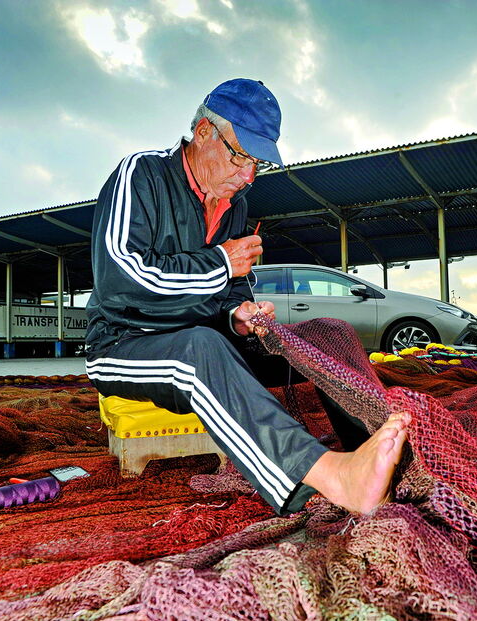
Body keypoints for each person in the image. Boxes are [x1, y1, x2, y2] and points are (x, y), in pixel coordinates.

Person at [84, 78, 409, 515]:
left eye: (257, 163)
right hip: (123, 342)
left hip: (208, 336)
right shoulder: (142, 174)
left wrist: (239, 312)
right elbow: (119, 278)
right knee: (201, 347)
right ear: (203, 133)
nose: (248, 175)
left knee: (330, 332)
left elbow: (230, 289)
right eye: (240, 156)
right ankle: (330, 475)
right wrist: (221, 263)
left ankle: (378, 453)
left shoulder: (235, 204)